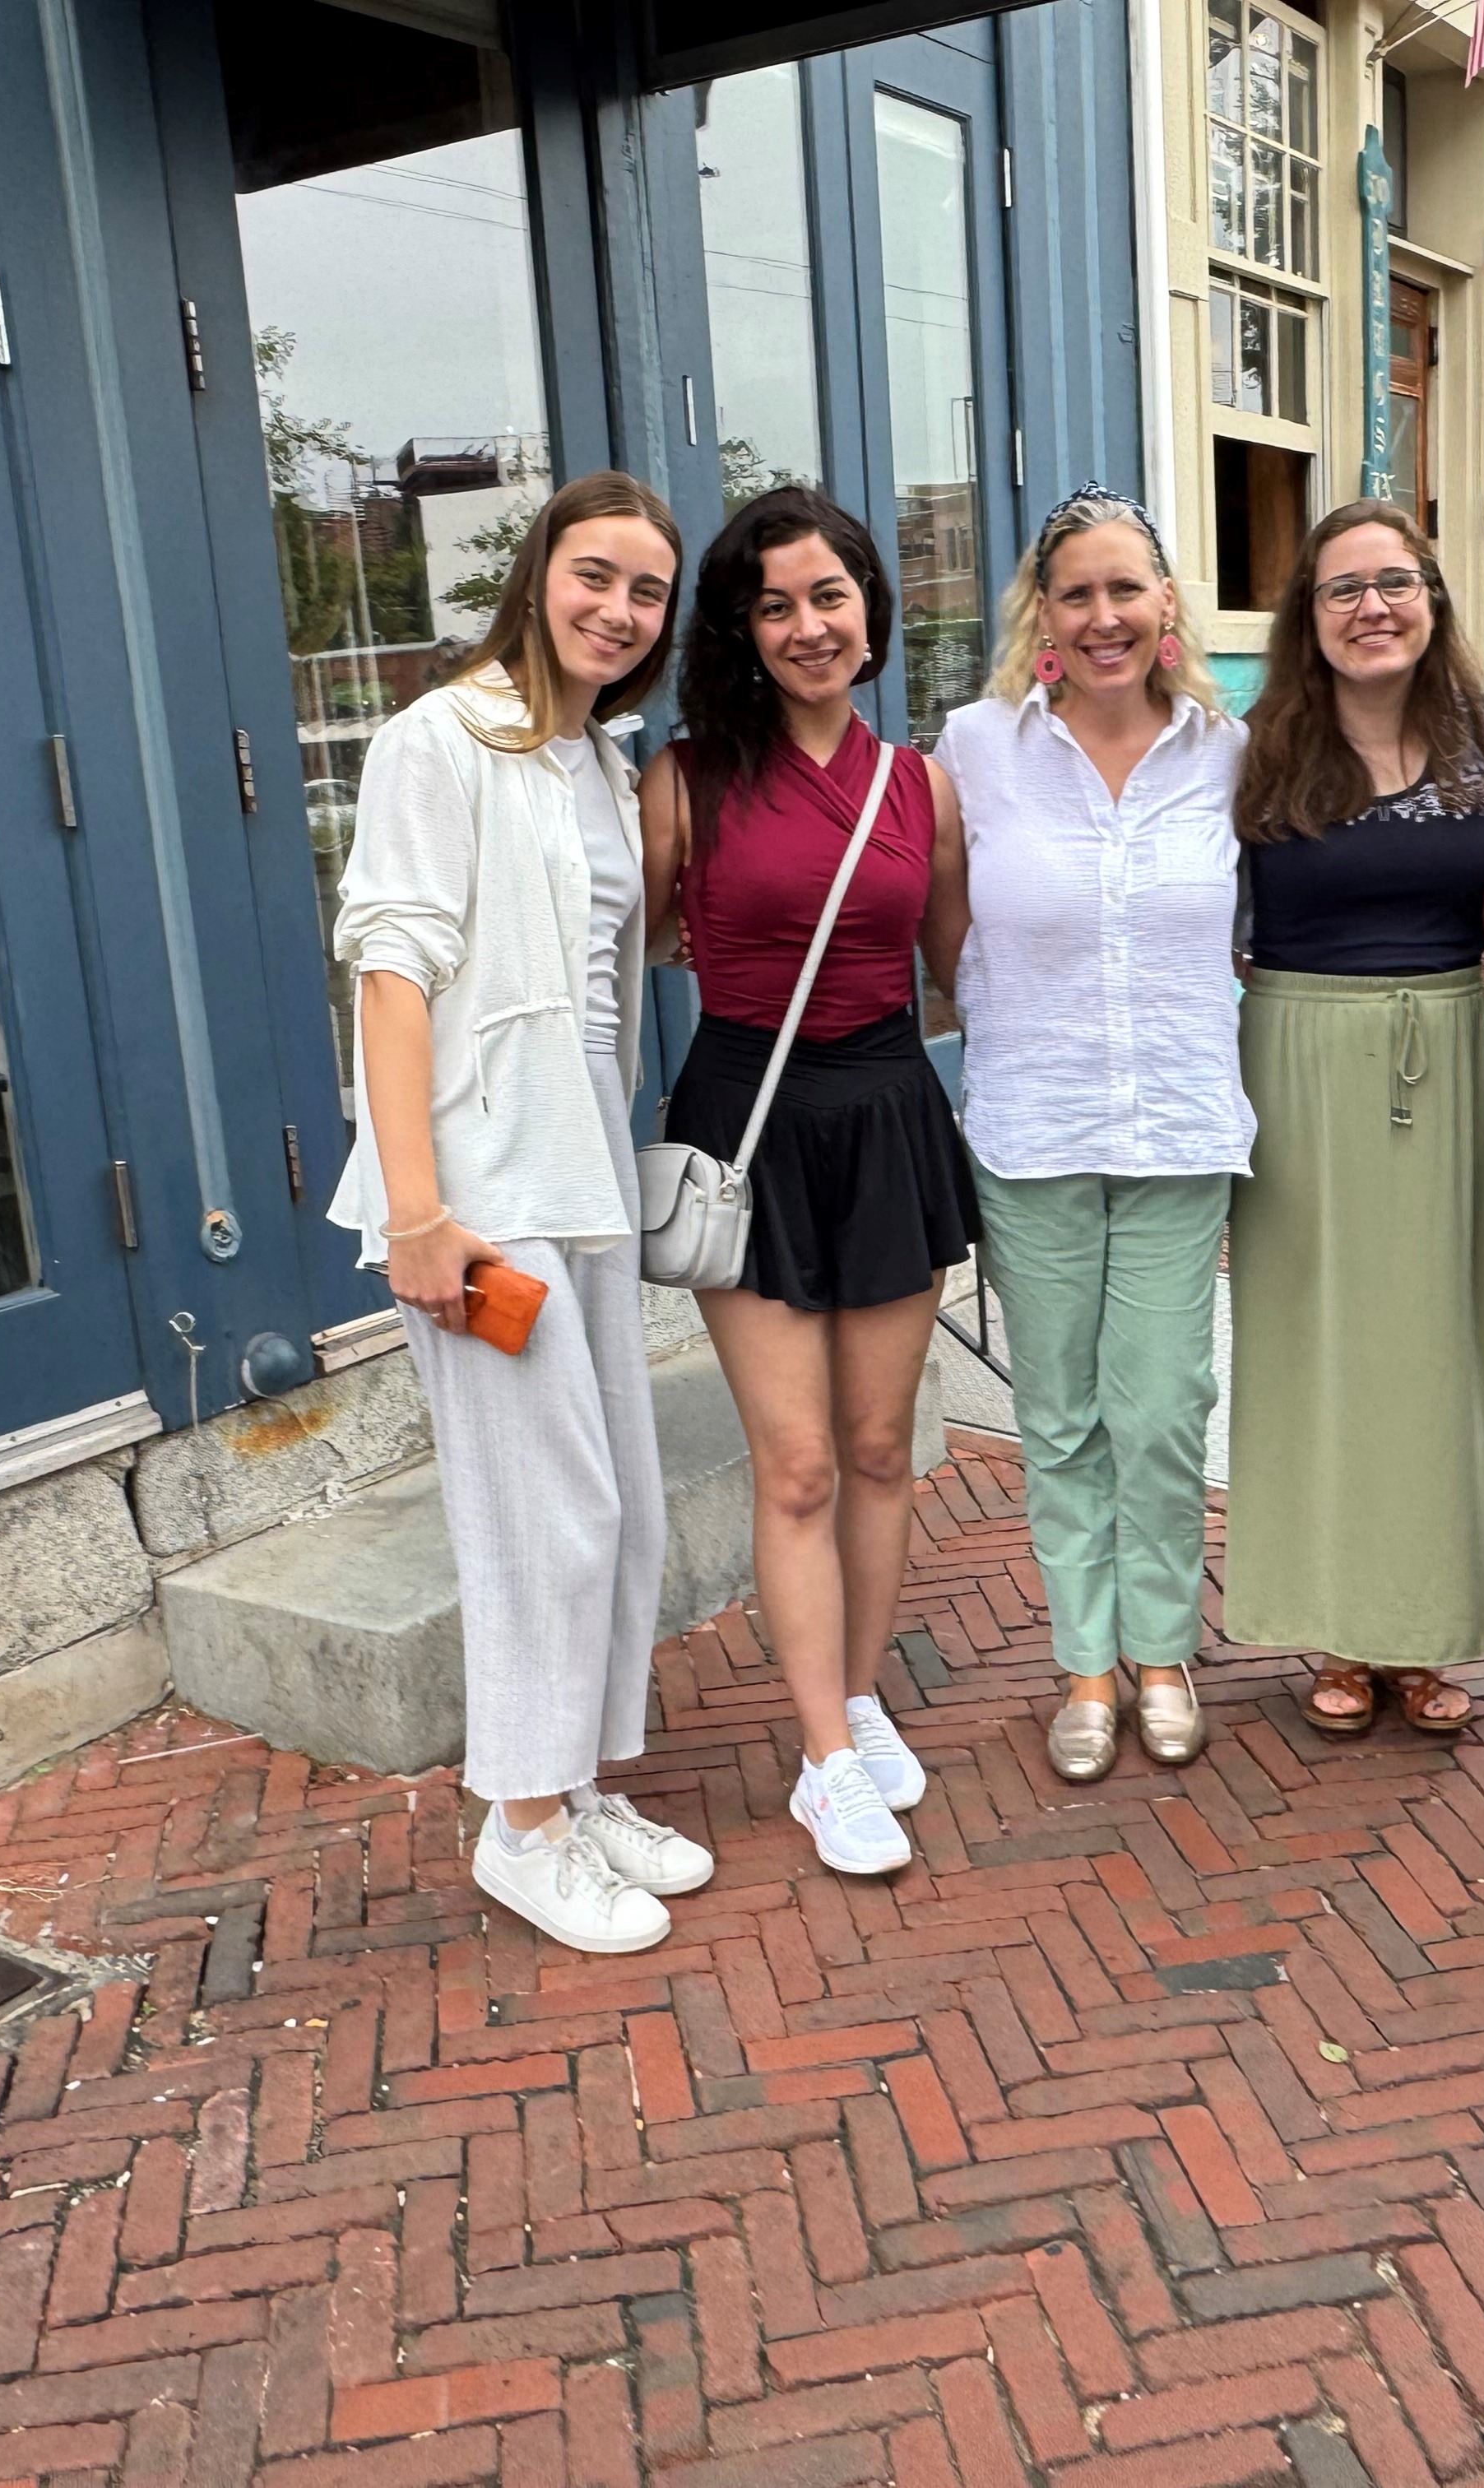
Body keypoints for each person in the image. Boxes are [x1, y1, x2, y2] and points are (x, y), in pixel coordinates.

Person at [331, 471, 716, 1953]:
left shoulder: (597, 765)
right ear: (536, 571)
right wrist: (420, 1210)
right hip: (483, 1192)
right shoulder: (442, 741)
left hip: (586, 1179)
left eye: (644, 591)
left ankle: (579, 1779)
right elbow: (391, 969)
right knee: (536, 1517)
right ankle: (523, 1822)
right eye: (594, 574)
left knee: (613, 1504)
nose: (616, 609)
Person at [641, 488, 977, 1880]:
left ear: (867, 606)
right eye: (773, 604)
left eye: (827, 595)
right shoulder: (684, 778)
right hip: (748, 1120)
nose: (806, 625)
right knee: (791, 1465)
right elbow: (647, 941)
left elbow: (958, 964)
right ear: (739, 626)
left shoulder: (922, 784)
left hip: (891, 1110)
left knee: (882, 1446)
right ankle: (823, 1764)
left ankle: (854, 1694)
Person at [923, 485, 1246, 1785]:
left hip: (1177, 1125)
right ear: (1042, 615)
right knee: (1058, 1414)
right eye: (1077, 593)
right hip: (1033, 1125)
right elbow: (944, 933)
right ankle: (1085, 1665)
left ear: (1166, 605)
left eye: (1127, 589)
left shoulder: (1230, 756)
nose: (1104, 616)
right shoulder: (977, 746)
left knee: (1162, 1405)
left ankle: (1162, 1649)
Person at [1225, 503, 1484, 1738]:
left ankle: (1419, 1628)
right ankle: (1335, 1628)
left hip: (1440, 1049)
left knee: (1428, 1352)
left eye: (1394, 583)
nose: (1371, 609)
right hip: (1295, 1054)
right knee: (1309, 1345)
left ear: (1433, 602)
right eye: (1342, 589)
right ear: (1308, 616)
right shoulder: (1254, 756)